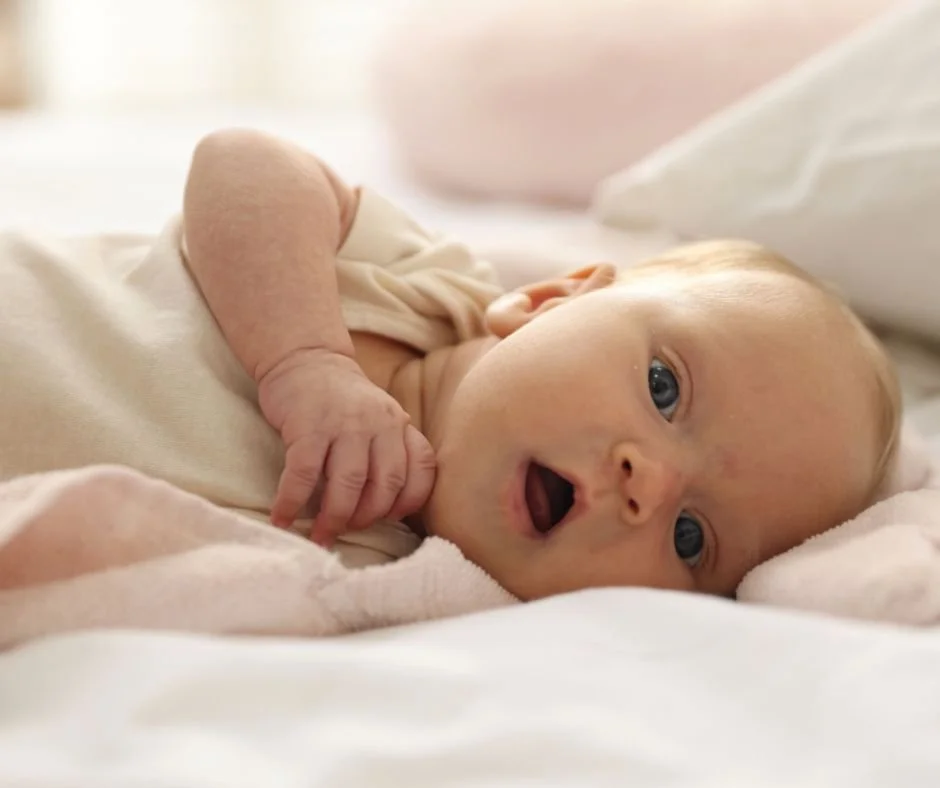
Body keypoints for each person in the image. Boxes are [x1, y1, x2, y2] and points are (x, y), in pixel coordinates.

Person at [0, 129, 900, 601]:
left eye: (692, 539)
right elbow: (241, 162)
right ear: (551, 299)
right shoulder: (423, 290)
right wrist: (308, 359)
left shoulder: (366, 577)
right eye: (665, 387)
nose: (648, 482)